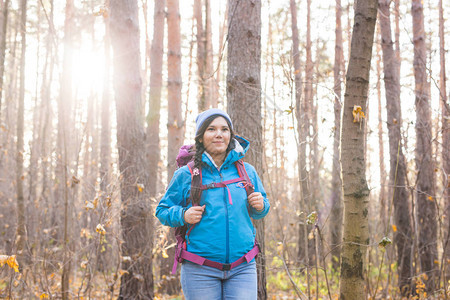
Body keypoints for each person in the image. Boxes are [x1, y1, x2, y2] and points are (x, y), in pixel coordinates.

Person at [155, 108, 270, 299]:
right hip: (200, 269)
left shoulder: (246, 171)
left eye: (224, 129)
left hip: (243, 267)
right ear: (200, 137)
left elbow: (259, 211)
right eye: (211, 129)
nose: (219, 134)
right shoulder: (186, 174)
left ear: (230, 136)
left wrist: (261, 205)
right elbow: (162, 210)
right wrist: (183, 215)